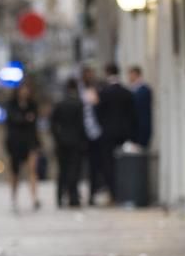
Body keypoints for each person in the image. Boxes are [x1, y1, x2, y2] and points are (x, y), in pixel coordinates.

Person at [96, 63, 137, 202]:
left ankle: (113, 193)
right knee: (124, 164)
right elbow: (132, 115)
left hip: (107, 133)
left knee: (108, 164)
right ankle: (124, 192)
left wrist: (104, 126)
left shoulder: (103, 92)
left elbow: (98, 113)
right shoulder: (127, 92)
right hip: (124, 133)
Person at [51, 77, 87, 208]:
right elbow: (82, 125)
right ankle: (73, 197)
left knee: (62, 170)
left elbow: (53, 124)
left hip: (62, 142)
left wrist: (57, 138)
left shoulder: (60, 104)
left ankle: (60, 197)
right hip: (76, 142)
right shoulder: (78, 104)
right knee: (74, 170)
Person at [5, 81, 41, 212]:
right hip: (15, 143)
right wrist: (25, 118)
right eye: (22, 89)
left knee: (32, 170)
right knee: (15, 172)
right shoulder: (11, 105)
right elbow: (14, 119)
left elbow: (33, 121)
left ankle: (34, 198)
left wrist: (23, 119)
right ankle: (14, 197)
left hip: (30, 141)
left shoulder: (33, 105)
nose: (24, 92)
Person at [79, 65, 105, 205]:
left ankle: (93, 192)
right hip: (82, 134)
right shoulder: (79, 91)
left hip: (96, 133)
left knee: (95, 165)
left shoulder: (97, 90)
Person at [127, 65, 153, 148]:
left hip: (141, 129)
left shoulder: (144, 90)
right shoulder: (132, 90)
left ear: (135, 74)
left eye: (131, 75)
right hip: (135, 128)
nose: (129, 77)